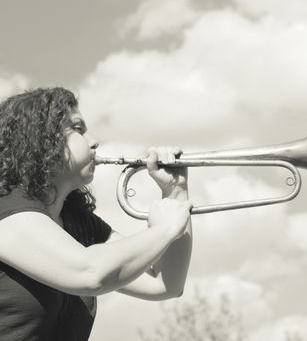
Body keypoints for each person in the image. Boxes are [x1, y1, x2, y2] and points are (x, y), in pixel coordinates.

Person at [0, 87, 193, 340]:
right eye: (78, 129)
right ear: (41, 139)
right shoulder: (6, 209)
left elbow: (165, 285)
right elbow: (91, 273)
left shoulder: (78, 224)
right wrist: (164, 230)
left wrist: (176, 192)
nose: (93, 141)